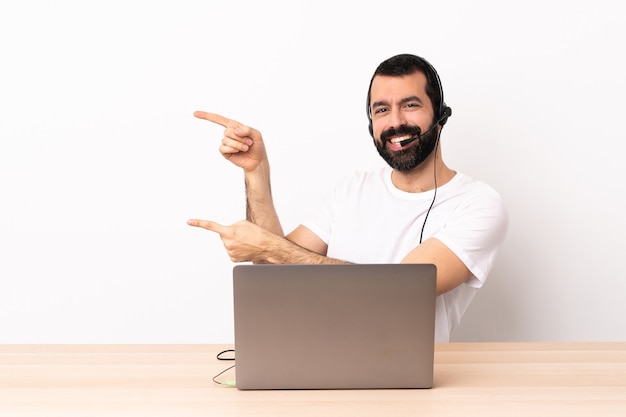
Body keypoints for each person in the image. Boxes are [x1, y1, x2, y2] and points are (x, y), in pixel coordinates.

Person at [187, 53, 508, 342]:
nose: (395, 122)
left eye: (410, 105)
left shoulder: (477, 203)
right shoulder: (352, 189)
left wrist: (272, 247)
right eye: (382, 110)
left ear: (440, 116)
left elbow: (400, 291)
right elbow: (273, 271)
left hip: (403, 384)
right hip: (314, 361)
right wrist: (256, 171)